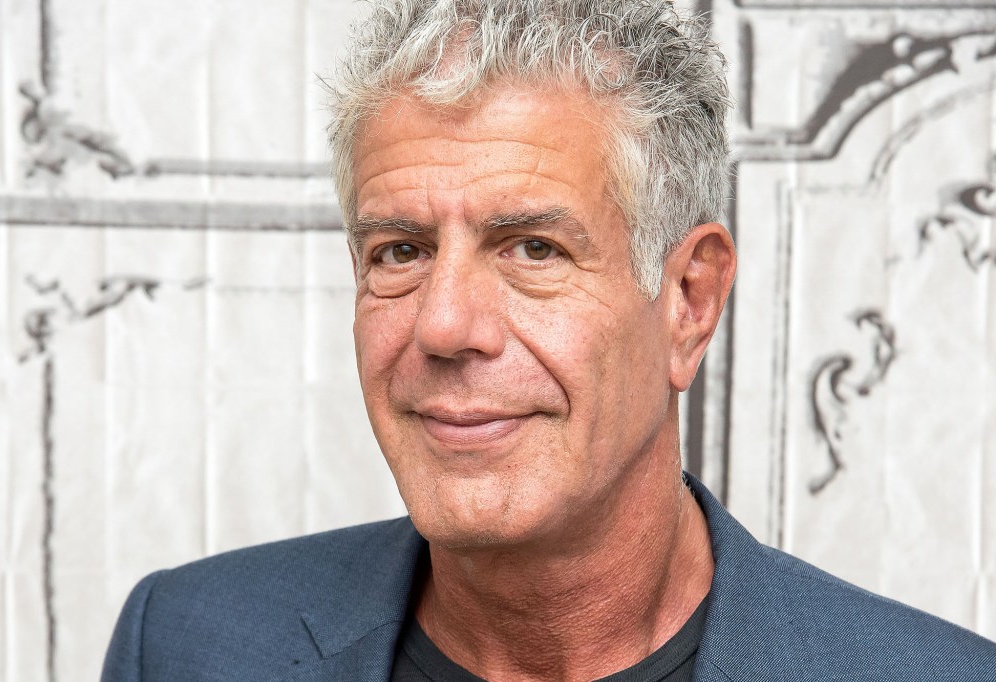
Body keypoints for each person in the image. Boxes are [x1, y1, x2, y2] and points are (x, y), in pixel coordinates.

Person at [102, 1, 996, 680]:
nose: (444, 324)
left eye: (535, 248)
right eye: (400, 252)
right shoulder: (185, 644)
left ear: (689, 299)